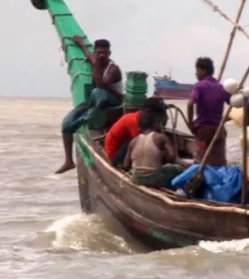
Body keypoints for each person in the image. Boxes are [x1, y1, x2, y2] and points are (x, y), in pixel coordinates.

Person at [56, 37, 124, 174]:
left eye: (104, 53)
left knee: (98, 92)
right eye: (98, 53)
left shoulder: (113, 69)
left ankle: (91, 116)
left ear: (109, 53)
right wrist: (80, 43)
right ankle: (69, 161)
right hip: (95, 101)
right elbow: (87, 52)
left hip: (112, 102)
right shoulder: (95, 59)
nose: (101, 55)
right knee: (67, 124)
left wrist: (95, 65)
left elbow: (101, 85)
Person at [187, 57, 231, 167]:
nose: (196, 74)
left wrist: (191, 124)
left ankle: (199, 181)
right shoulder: (221, 87)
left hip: (203, 131)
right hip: (218, 130)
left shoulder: (200, 85)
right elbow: (234, 105)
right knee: (219, 161)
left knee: (200, 162)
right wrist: (225, 119)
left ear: (204, 71)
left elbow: (190, 104)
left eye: (197, 71)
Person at [123, 110, 183, 189]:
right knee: (176, 168)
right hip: (155, 179)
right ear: (155, 124)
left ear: (140, 127)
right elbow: (173, 156)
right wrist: (164, 156)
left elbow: (126, 165)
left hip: (136, 179)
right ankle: (176, 189)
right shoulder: (161, 137)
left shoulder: (133, 142)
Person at [104, 97, 168, 167]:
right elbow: (142, 144)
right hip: (114, 154)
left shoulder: (139, 117)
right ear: (148, 111)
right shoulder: (133, 121)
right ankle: (124, 164)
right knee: (137, 142)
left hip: (119, 145)